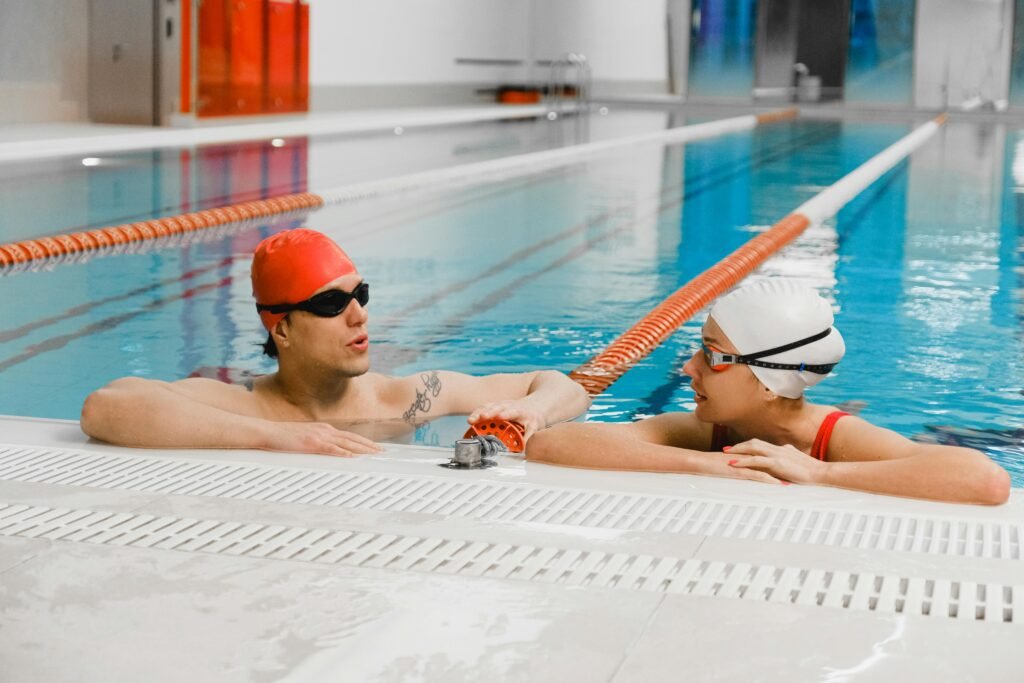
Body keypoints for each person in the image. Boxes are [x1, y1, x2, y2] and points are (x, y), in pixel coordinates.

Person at [81, 228, 591, 456]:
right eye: (330, 304)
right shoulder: (245, 407)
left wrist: (538, 413)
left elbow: (553, 383)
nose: (359, 314)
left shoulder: (409, 400)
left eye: (360, 294)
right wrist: (271, 437)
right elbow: (105, 408)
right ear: (280, 328)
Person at [526, 280, 1010, 505]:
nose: (689, 368)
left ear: (768, 382)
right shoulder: (707, 433)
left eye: (712, 356)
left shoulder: (835, 439)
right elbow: (551, 444)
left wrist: (820, 475)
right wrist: (707, 463)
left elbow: (986, 481)